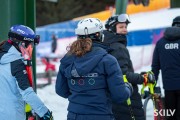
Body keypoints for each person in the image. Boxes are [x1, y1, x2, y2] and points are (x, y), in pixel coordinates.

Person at [55, 18, 133, 120]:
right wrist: (128, 87)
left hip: (74, 116)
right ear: (99, 35)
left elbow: (61, 90)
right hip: (101, 115)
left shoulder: (68, 59)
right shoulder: (108, 60)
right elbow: (119, 95)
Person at [103, 14, 155, 120]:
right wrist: (143, 78)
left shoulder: (106, 45)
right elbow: (123, 75)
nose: (125, 30)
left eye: (125, 27)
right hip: (126, 99)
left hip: (113, 96)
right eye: (121, 27)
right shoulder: (118, 47)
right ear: (112, 29)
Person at [0, 25, 53, 120]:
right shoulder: (16, 63)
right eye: (30, 45)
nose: (31, 48)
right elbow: (27, 93)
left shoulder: (3, 55)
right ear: (22, 44)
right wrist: (45, 113)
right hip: (12, 116)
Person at [151, 16, 180, 120]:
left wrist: (153, 86)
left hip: (168, 88)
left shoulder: (160, 43)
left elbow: (155, 66)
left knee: (170, 116)